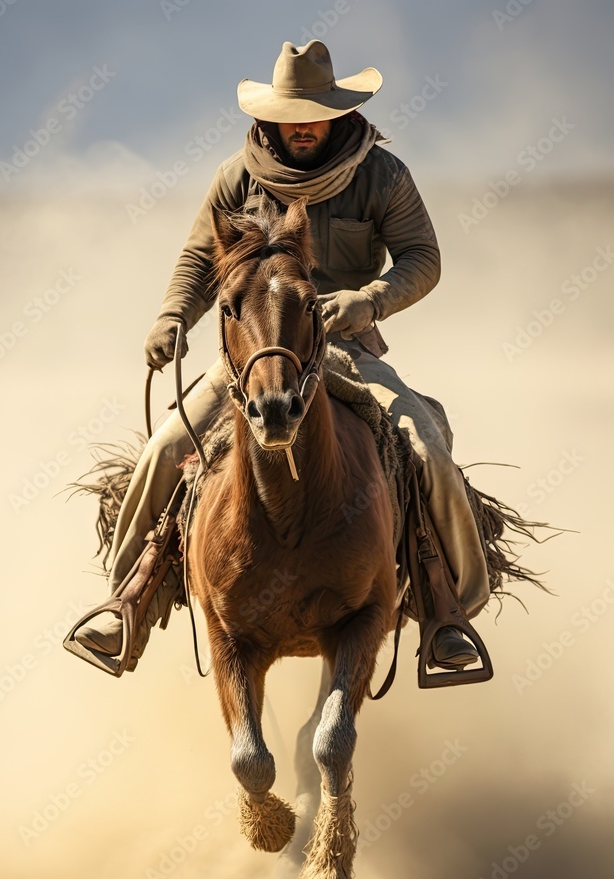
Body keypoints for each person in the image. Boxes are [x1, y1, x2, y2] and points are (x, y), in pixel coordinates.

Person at [76, 39, 490, 668]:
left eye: (314, 113)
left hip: (344, 345)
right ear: (270, 115)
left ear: (338, 111)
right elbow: (197, 260)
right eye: (291, 116)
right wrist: (170, 317)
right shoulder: (236, 179)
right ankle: (128, 600)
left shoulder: (382, 175)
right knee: (165, 448)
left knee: (425, 445)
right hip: (254, 353)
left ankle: (446, 608)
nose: (302, 128)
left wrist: (370, 300)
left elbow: (422, 259)